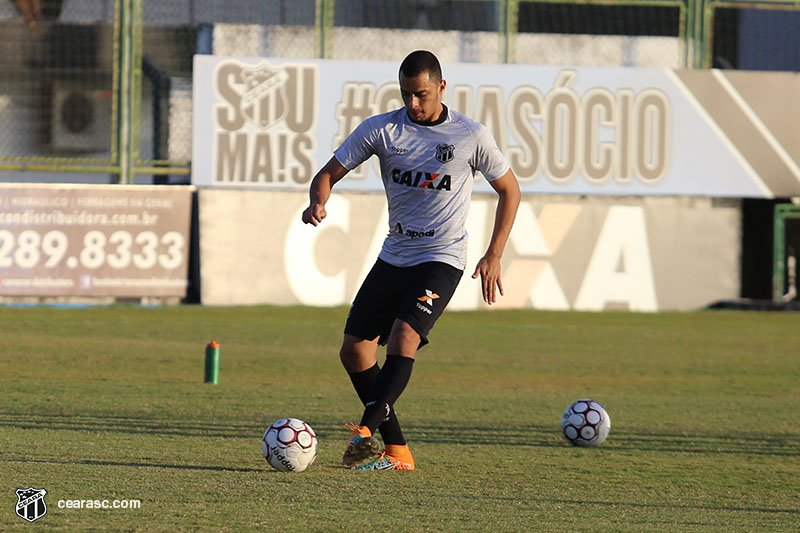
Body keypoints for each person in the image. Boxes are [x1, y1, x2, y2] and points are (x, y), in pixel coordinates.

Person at [301, 50, 520, 470]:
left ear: (441, 87)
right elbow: (327, 174)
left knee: (405, 338)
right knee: (354, 353)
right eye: (406, 95)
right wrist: (318, 200)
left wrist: (494, 253)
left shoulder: (469, 136)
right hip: (395, 254)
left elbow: (510, 190)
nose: (413, 105)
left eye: (421, 95)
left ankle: (364, 433)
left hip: (442, 257)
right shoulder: (381, 130)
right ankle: (398, 451)